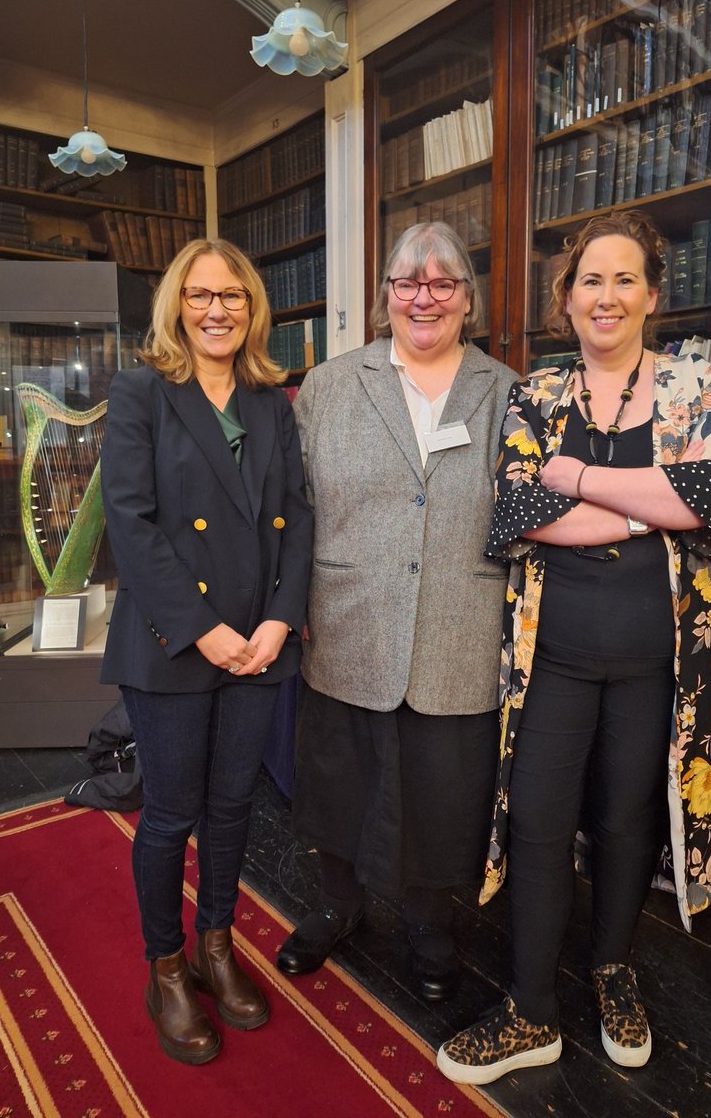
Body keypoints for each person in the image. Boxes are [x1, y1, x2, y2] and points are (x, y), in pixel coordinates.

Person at [437, 210, 711, 1083]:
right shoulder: (534, 394)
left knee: (624, 822)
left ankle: (615, 972)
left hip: (659, 664)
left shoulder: (698, 385)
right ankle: (530, 1010)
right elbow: (514, 514)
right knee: (538, 822)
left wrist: (571, 477)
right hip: (554, 658)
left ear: (652, 294)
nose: (604, 296)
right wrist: (652, 499)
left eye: (623, 279)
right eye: (587, 282)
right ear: (565, 301)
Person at [276, 221, 518, 1001]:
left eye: (443, 282)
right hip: (349, 620)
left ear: (467, 299)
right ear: (384, 295)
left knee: (442, 795)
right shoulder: (329, 385)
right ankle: (338, 906)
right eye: (406, 281)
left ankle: (426, 921)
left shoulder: (506, 391)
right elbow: (297, 505)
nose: (423, 296)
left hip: (458, 626)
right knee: (339, 784)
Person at [100, 238, 312, 1065]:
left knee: (233, 810)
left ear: (252, 307)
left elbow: (296, 517)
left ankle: (218, 947)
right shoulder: (140, 392)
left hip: (259, 644)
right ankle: (169, 970)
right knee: (171, 814)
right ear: (177, 306)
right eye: (200, 295)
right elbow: (132, 523)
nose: (217, 309)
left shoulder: (271, 400)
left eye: (232, 295)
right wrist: (205, 629)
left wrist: (278, 620)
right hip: (174, 644)